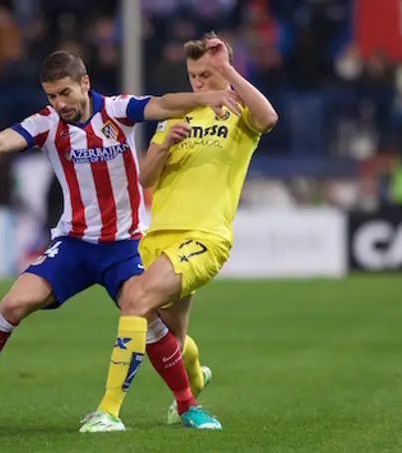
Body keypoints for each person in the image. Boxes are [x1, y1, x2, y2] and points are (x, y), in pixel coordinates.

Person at [0, 50, 242, 428]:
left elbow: (164, 104)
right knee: (12, 304)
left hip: (124, 246)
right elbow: (3, 139)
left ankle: (188, 406)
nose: (59, 104)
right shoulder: (46, 124)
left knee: (148, 320)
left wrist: (209, 97)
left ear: (85, 83)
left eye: (64, 93)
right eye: (51, 96)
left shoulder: (117, 111)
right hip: (73, 244)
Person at [80, 32, 278, 433]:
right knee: (168, 334)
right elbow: (146, 179)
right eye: (193, 75)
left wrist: (227, 70)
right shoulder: (176, 117)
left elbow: (270, 117)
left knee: (135, 299)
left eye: (206, 74)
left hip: (205, 236)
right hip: (159, 238)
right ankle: (194, 381)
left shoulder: (238, 111)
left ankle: (108, 411)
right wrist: (163, 145)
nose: (199, 84)